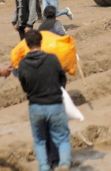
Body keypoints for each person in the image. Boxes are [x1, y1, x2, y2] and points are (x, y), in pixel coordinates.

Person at [17, 30, 71, 171]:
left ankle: (44, 167)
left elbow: (24, 86)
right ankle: (64, 164)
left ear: (27, 44)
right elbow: (62, 79)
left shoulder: (23, 64)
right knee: (62, 137)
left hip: (35, 106)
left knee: (40, 141)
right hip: (55, 104)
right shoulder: (52, 59)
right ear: (41, 42)